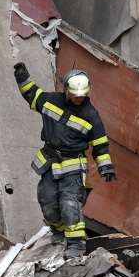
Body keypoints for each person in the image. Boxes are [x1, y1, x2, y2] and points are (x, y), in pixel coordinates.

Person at [14, 63, 116, 257]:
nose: (79, 99)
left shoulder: (91, 116)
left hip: (73, 168)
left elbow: (100, 145)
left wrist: (106, 166)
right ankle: (59, 231)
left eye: (82, 95)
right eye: (75, 95)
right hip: (50, 163)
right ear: (67, 91)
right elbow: (32, 95)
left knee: (70, 204)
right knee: (49, 206)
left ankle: (76, 245)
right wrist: (22, 75)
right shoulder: (51, 100)